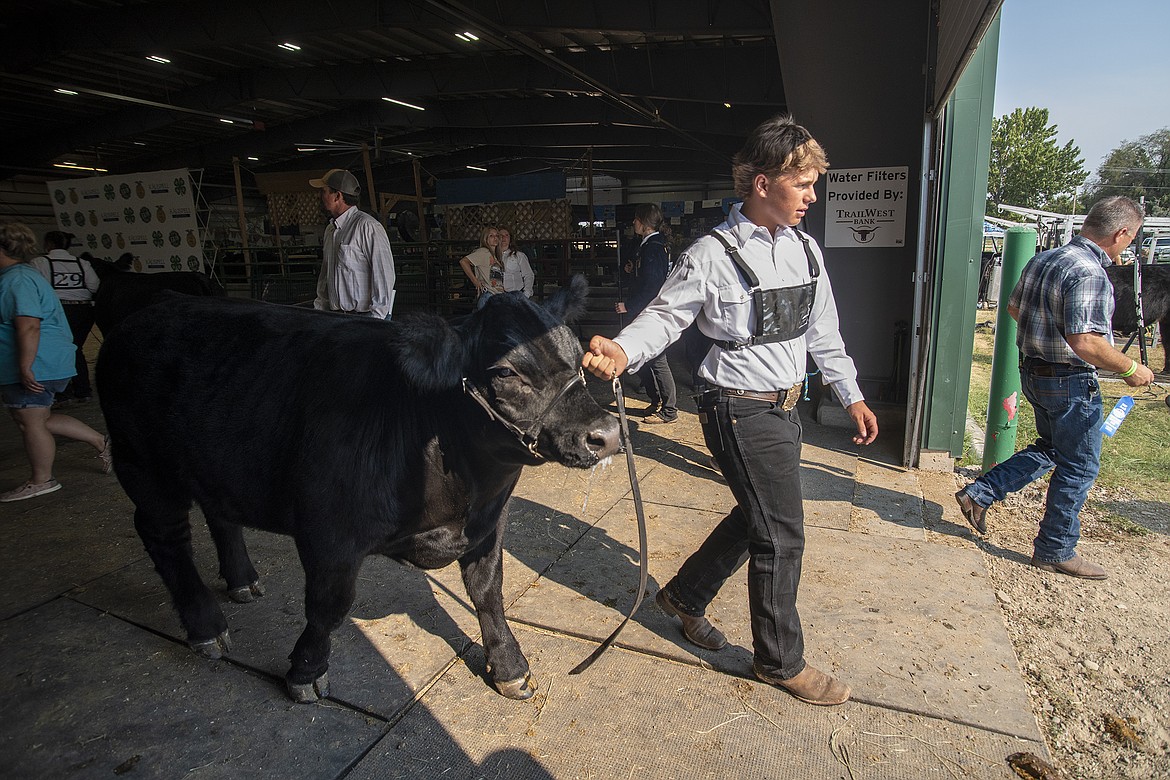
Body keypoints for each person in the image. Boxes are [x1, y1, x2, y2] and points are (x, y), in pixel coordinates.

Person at [582, 116, 878, 707]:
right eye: (803, 183)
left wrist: (850, 392)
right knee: (783, 534)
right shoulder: (711, 254)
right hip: (737, 409)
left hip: (786, 407)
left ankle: (685, 598)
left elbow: (824, 332)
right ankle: (779, 660)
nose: (812, 197)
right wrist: (623, 348)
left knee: (758, 517)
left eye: (814, 183)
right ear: (763, 182)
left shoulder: (806, 251)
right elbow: (667, 315)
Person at [955, 195, 1152, 580]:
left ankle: (981, 493)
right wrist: (1131, 367)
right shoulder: (1090, 272)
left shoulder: (1045, 259)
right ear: (1122, 232)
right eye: (1131, 239)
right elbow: (1087, 342)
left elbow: (1013, 308)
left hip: (1035, 371)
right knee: (1078, 465)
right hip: (1070, 380)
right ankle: (1055, 549)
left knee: (1051, 448)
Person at [0, 221, 111, 502]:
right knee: (37, 418)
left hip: (37, 360)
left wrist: (25, 365)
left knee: (31, 421)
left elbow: (28, 325)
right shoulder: (24, 273)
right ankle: (103, 442)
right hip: (52, 350)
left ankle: (42, 479)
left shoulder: (19, 278)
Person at [614, 204, 678, 423]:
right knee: (649, 359)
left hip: (649, 309)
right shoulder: (654, 244)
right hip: (651, 307)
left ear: (643, 222)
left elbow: (652, 285)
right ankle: (658, 401)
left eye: (635, 219)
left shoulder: (652, 247)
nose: (633, 223)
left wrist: (629, 306)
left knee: (658, 359)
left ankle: (669, 409)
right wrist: (634, 269)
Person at [309, 169, 396, 319]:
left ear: (338, 196)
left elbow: (383, 276)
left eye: (324, 191)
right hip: (337, 317)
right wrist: (319, 310)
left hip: (363, 318)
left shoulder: (367, 227)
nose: (321, 197)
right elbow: (326, 275)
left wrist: (376, 320)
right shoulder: (331, 230)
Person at [30, 231, 99, 402]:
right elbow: (94, 286)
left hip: (57, 311)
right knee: (76, 348)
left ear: (49, 245)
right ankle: (84, 391)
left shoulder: (39, 262)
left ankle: (63, 393)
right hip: (83, 311)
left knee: (58, 350)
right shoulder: (82, 263)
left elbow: (35, 288)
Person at [459, 225, 505, 308]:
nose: (495, 238)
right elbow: (463, 262)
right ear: (485, 238)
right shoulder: (483, 252)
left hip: (495, 296)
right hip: (489, 296)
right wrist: (475, 281)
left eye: (496, 236)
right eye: (491, 236)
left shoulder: (494, 255)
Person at [498, 227, 534, 297]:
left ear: (510, 238)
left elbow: (528, 275)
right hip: (498, 295)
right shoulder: (492, 256)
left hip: (516, 294)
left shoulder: (519, 256)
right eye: (500, 235)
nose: (503, 237)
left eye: (506, 235)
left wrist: (526, 293)